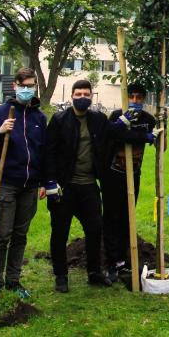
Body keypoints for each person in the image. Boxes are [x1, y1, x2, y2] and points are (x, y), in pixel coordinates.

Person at [43, 80, 151, 293]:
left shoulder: (97, 119)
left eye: (86, 93)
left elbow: (114, 132)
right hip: (65, 187)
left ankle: (94, 273)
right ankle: (61, 276)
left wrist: (134, 130)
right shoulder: (59, 119)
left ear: (91, 96)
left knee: (95, 229)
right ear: (71, 96)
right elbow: (49, 152)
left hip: (89, 186)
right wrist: (49, 181)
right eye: (78, 93)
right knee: (59, 232)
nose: (82, 97)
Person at [0, 67, 46, 297]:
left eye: (31, 86)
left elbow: (43, 152)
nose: (27, 90)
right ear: (15, 86)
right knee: (2, 234)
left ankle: (13, 280)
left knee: (20, 235)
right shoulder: (1, 112)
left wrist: (43, 182)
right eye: (23, 86)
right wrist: (0, 131)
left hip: (30, 185)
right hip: (6, 183)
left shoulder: (39, 117)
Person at [103, 83, 160, 282]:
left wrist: (160, 130)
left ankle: (124, 258)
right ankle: (111, 261)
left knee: (128, 217)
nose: (135, 101)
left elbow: (159, 141)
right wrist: (142, 137)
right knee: (111, 216)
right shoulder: (117, 116)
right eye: (132, 97)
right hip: (113, 173)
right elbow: (111, 134)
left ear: (144, 99)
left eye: (139, 98)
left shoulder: (148, 120)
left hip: (133, 174)